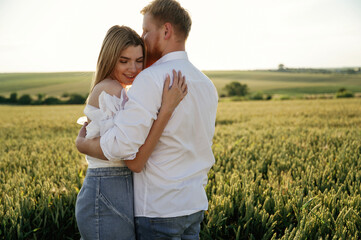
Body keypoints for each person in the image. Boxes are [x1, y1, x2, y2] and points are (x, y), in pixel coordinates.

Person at [76, 0, 219, 238]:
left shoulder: (151, 78)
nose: (142, 37)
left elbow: (125, 150)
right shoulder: (207, 84)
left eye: (145, 30)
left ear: (165, 30)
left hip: (159, 207)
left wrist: (82, 144)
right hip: (194, 205)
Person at [75, 25, 187, 240]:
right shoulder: (111, 89)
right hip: (105, 185)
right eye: (124, 61)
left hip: (115, 185)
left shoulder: (118, 88)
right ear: (109, 59)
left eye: (139, 60)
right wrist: (166, 109)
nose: (134, 69)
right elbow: (123, 149)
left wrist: (82, 144)